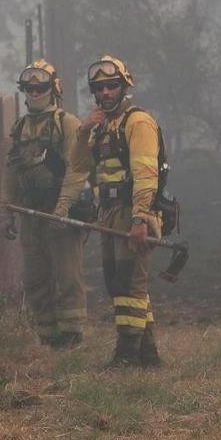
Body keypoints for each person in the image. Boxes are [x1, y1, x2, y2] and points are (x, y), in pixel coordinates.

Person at [58, 55, 162, 368]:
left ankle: (126, 357)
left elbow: (146, 174)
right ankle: (149, 354)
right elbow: (78, 165)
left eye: (112, 86)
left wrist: (140, 218)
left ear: (124, 86)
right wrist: (82, 132)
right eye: (99, 88)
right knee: (119, 283)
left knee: (130, 284)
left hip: (133, 211)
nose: (105, 93)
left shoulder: (138, 123)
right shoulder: (102, 127)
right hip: (109, 213)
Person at [1, 59, 91, 348]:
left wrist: (63, 208)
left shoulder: (67, 124)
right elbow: (10, 172)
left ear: (54, 89)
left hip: (60, 213)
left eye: (41, 86)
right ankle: (48, 337)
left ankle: (71, 335)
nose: (35, 91)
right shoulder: (19, 129)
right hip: (31, 214)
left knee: (67, 275)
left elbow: (78, 169)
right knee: (35, 278)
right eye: (30, 87)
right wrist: (7, 211)